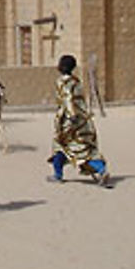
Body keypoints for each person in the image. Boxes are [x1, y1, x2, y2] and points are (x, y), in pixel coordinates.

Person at [47, 54, 112, 187]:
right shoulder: (76, 81)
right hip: (83, 119)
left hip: (69, 121)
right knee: (84, 149)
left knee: (60, 146)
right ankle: (100, 169)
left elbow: (68, 98)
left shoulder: (62, 82)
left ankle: (58, 175)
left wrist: (71, 116)